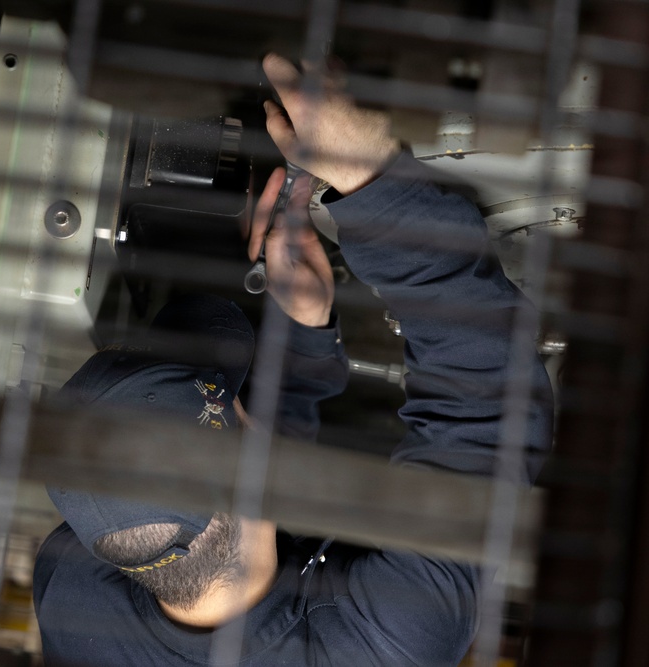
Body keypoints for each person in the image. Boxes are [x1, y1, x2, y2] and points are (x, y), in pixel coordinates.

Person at [32, 53, 554, 666]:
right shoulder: (387, 640)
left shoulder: (77, 598)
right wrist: (371, 178)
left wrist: (303, 332)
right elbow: (486, 409)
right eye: (236, 404)